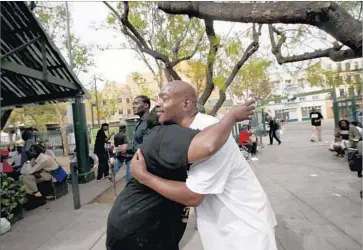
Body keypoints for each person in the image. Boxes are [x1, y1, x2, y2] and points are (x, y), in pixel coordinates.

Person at [130, 81, 277, 250]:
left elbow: (194, 196)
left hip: (243, 230)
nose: (157, 104)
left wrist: (144, 177)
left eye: (164, 98)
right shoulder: (183, 132)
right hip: (222, 228)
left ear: (186, 103)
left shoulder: (208, 131)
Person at [106, 99, 257, 250]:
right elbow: (209, 144)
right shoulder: (165, 134)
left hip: (137, 225)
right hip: (138, 231)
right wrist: (232, 116)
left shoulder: (159, 136)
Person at [117, 95, 150, 181]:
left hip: (148, 169)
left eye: (136, 103)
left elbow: (148, 146)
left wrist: (127, 148)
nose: (133, 106)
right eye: (133, 104)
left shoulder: (150, 122)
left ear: (146, 105)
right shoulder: (140, 122)